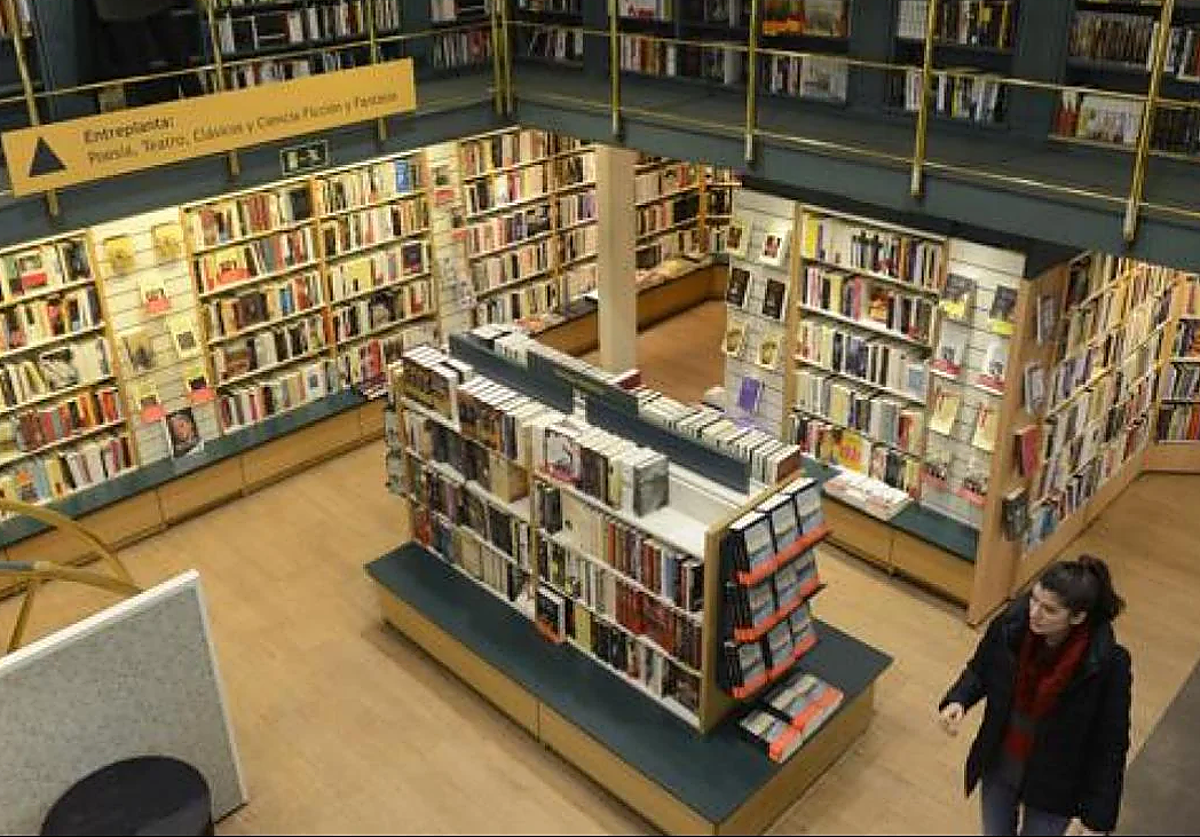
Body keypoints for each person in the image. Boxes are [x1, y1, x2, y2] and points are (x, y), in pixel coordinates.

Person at [938, 555, 1132, 836]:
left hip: (1054, 786)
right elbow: (982, 668)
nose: (1035, 613)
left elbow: (1110, 746)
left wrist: (1096, 818)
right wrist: (959, 699)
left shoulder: (1108, 666)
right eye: (1034, 599)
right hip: (1001, 763)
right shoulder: (1010, 627)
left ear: (1078, 617)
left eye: (1050, 610)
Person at [92, 0, 203, 107]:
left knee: (177, 58)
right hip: (119, 9)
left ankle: (199, 105)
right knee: (135, 71)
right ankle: (145, 118)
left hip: (127, 9)